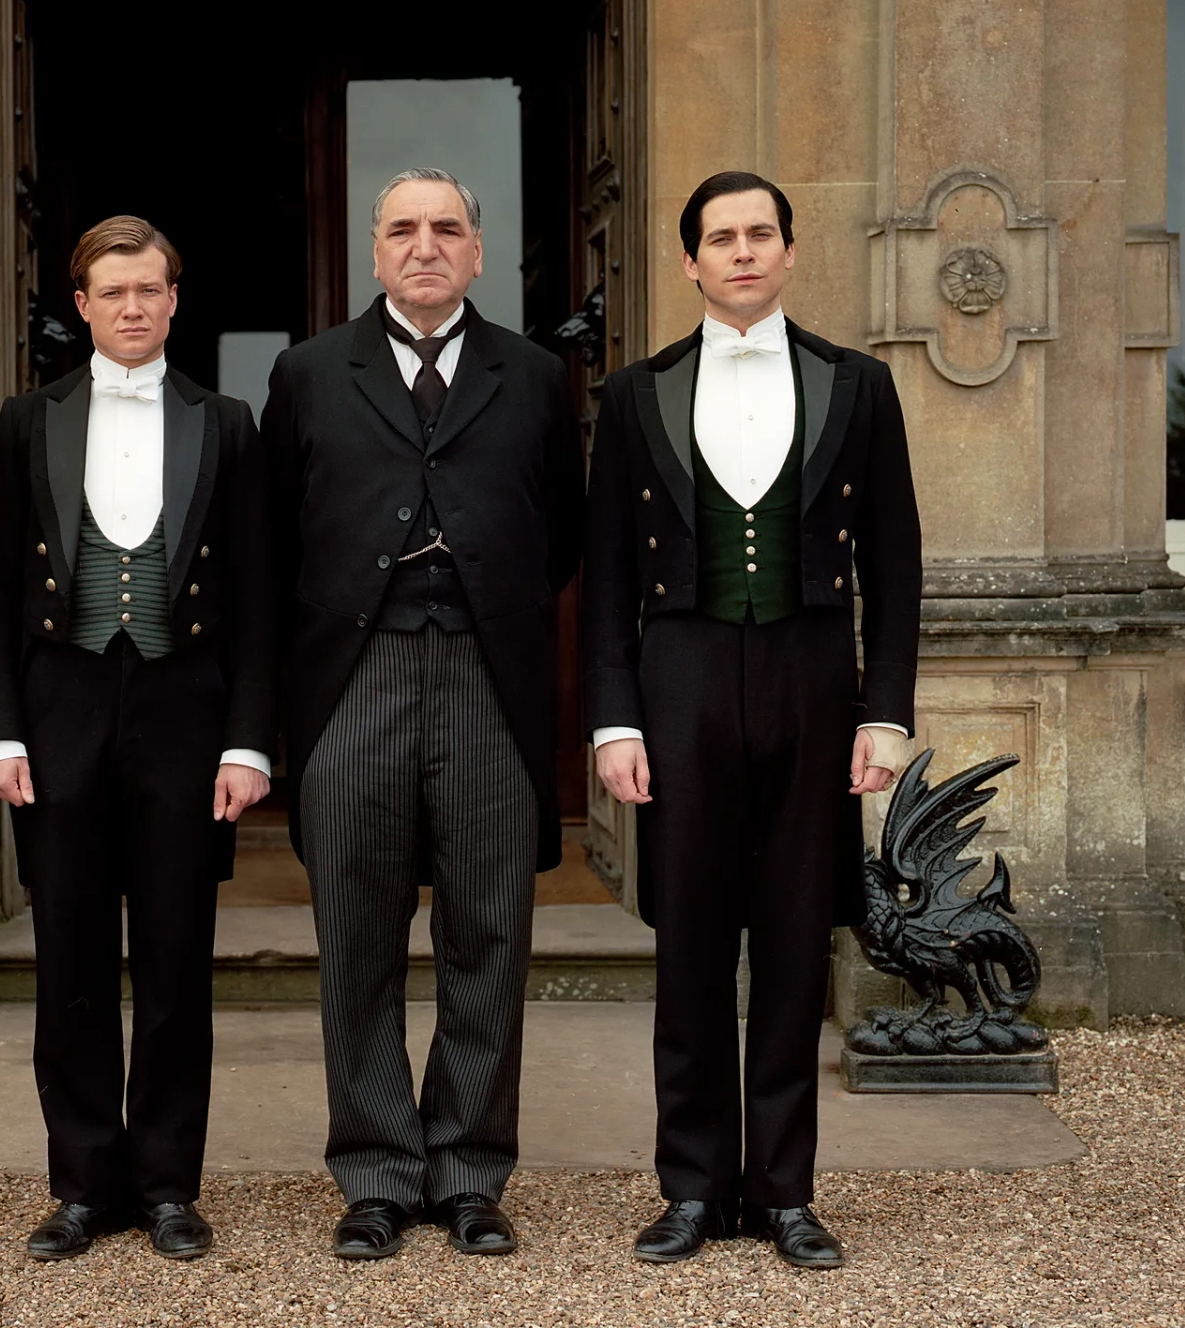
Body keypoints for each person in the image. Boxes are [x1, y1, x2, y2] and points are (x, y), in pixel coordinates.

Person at [582, 170, 922, 1269]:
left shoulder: (858, 384)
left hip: (813, 678)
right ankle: (692, 1185)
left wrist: (887, 712)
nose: (740, 251)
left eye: (759, 234)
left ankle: (782, 1191)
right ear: (688, 261)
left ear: (786, 250)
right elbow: (602, 579)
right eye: (719, 237)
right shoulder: (633, 395)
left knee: (789, 943)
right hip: (675, 678)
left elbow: (898, 567)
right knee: (687, 945)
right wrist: (613, 721)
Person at [262, 167, 586, 1260]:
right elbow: (274, 539)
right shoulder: (309, 373)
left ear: (478, 253)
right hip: (354, 683)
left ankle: (469, 1172)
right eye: (403, 229)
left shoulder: (536, 375)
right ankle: (376, 1171)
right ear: (375, 250)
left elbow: (568, 532)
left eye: (447, 228)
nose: (426, 246)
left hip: (491, 682)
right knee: (356, 933)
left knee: (489, 930)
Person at [0, 216, 274, 1262]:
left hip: (187, 711)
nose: (135, 306)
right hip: (57, 706)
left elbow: (255, 596)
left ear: (175, 299)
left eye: (152, 288)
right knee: (70, 957)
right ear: (83, 305)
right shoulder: (27, 421)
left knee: (178, 957)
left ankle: (168, 1184)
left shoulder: (227, 422)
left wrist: (249, 743)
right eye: (115, 291)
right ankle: (81, 1183)